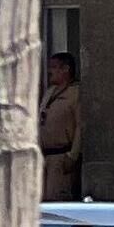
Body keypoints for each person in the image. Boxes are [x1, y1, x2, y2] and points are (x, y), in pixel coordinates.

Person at [37, 49, 83, 201]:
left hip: (61, 156)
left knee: (56, 198)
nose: (50, 71)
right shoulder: (49, 92)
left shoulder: (75, 93)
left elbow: (80, 126)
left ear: (66, 69)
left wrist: (72, 156)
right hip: (45, 155)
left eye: (54, 67)